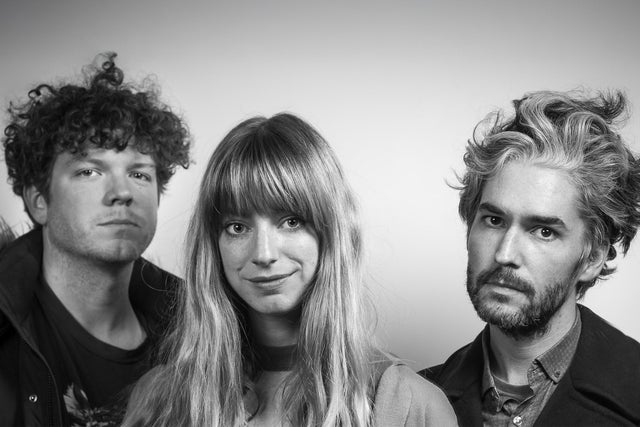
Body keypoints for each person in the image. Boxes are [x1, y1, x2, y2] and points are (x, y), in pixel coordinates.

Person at [123, 113, 456, 426]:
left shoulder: (410, 405)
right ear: (213, 245)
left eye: (291, 222)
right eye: (238, 227)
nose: (264, 254)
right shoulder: (161, 400)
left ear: (331, 233)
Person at [420, 90, 640, 426]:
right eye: (494, 220)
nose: (504, 254)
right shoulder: (413, 401)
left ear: (593, 257)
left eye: (544, 231)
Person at [0, 53, 190, 426]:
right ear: (40, 202)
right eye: (90, 171)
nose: (122, 192)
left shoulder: (200, 334)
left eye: (139, 174)